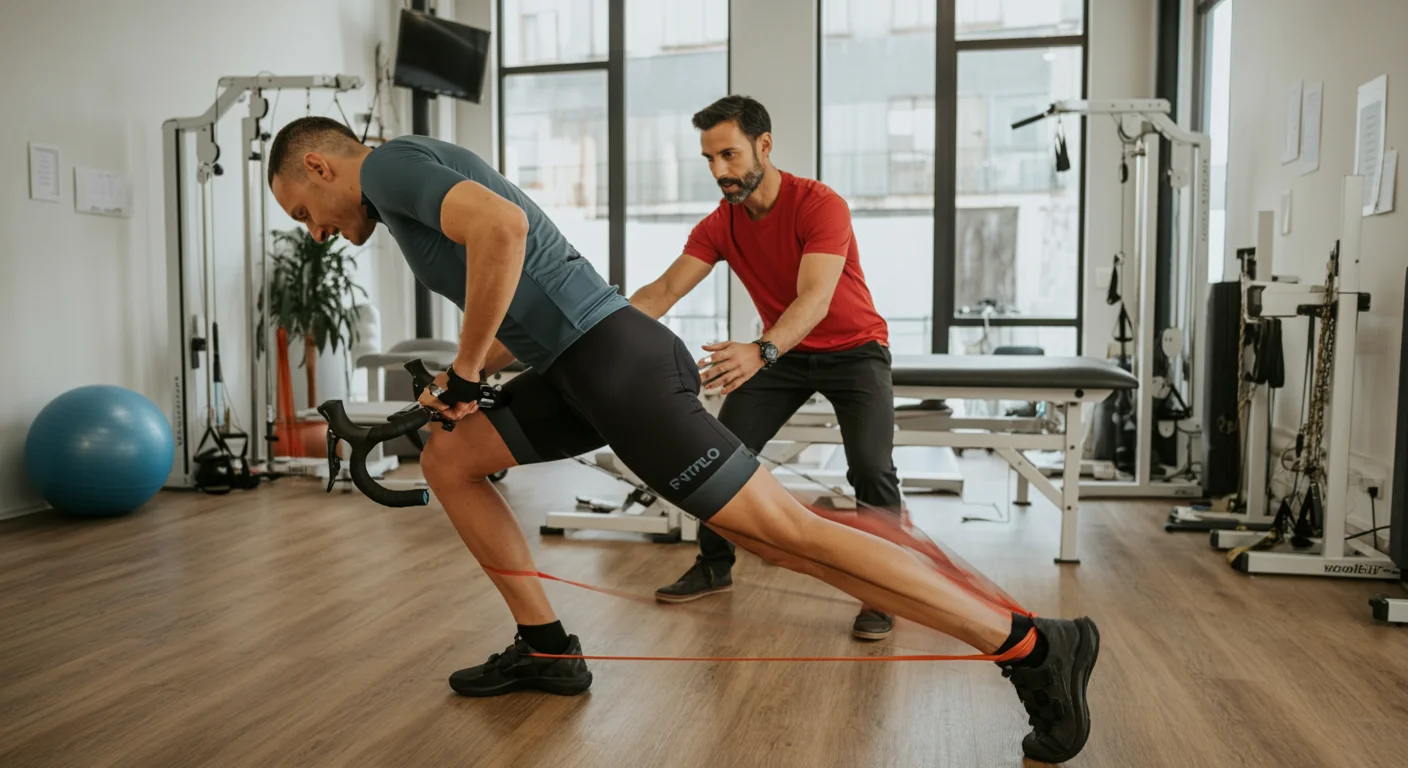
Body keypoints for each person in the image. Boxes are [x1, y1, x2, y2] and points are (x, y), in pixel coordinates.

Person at [266, 113, 1101, 765]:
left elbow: (503, 234)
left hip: (616, 364)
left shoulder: (390, 166)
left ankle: (1031, 646)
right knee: (452, 457)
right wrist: (464, 390)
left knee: (789, 538)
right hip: (576, 365)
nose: (314, 229)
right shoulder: (403, 178)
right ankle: (547, 649)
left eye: (305, 211)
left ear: (320, 164)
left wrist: (469, 369)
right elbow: (530, 295)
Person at [631, 96, 900, 643]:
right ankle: (714, 564)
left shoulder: (819, 205)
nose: (719, 172)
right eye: (709, 159)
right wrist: (595, 330)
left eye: (729, 155)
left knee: (871, 469)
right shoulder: (720, 224)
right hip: (786, 353)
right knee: (718, 455)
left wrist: (760, 351)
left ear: (765, 145)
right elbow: (661, 291)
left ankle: (883, 589)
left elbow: (816, 299)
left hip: (854, 349)